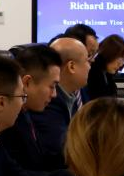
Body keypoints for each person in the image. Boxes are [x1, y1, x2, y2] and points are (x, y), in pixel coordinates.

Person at [0, 44, 70, 175]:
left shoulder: (25, 113)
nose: (54, 94)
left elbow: (42, 165)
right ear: (27, 82)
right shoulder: (7, 123)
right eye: (52, 86)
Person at [28, 37, 91, 165]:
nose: (90, 67)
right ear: (71, 66)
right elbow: (59, 153)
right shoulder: (47, 101)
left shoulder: (70, 95)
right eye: (87, 61)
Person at [86, 34, 124, 100]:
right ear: (109, 54)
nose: (122, 64)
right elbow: (102, 103)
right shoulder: (93, 74)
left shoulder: (106, 73)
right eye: (120, 58)